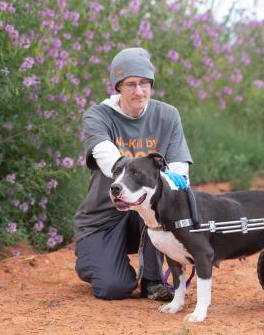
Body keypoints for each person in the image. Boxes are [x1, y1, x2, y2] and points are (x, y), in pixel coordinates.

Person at [74, 47, 193, 301]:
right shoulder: (98, 116)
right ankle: (95, 259)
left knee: (155, 202)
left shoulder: (168, 115)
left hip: (144, 212)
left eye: (144, 83)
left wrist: (169, 194)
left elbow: (179, 168)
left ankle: (151, 280)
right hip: (103, 218)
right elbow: (109, 160)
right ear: (118, 86)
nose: (139, 91)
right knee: (113, 287)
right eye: (131, 84)